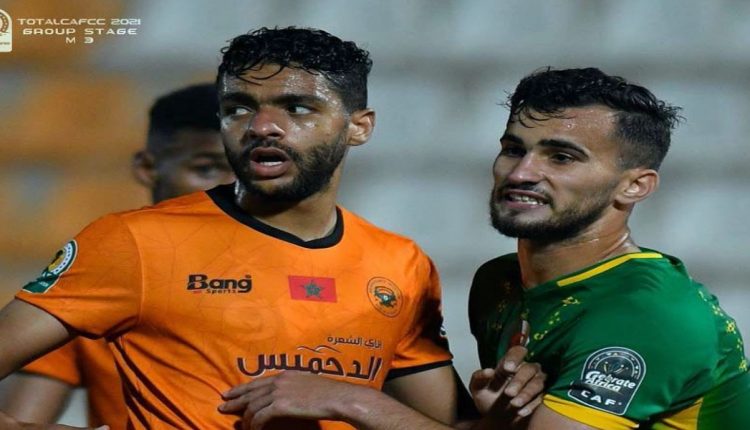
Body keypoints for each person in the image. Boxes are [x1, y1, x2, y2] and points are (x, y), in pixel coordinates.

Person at [0, 27, 542, 430]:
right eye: (239, 109)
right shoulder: (135, 242)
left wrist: (494, 419)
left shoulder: (399, 264)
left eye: (297, 108)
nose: (262, 126)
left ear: (359, 127)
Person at [469, 67, 750, 429]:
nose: (520, 173)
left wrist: (377, 404)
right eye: (513, 150)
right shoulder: (498, 281)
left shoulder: (648, 312)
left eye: (561, 157)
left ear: (635, 186)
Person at [1, 83, 235, 429]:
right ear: (147, 168)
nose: (230, 188)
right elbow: (23, 417)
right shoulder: (96, 283)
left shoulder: (309, 268)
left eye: (244, 170)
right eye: (207, 169)